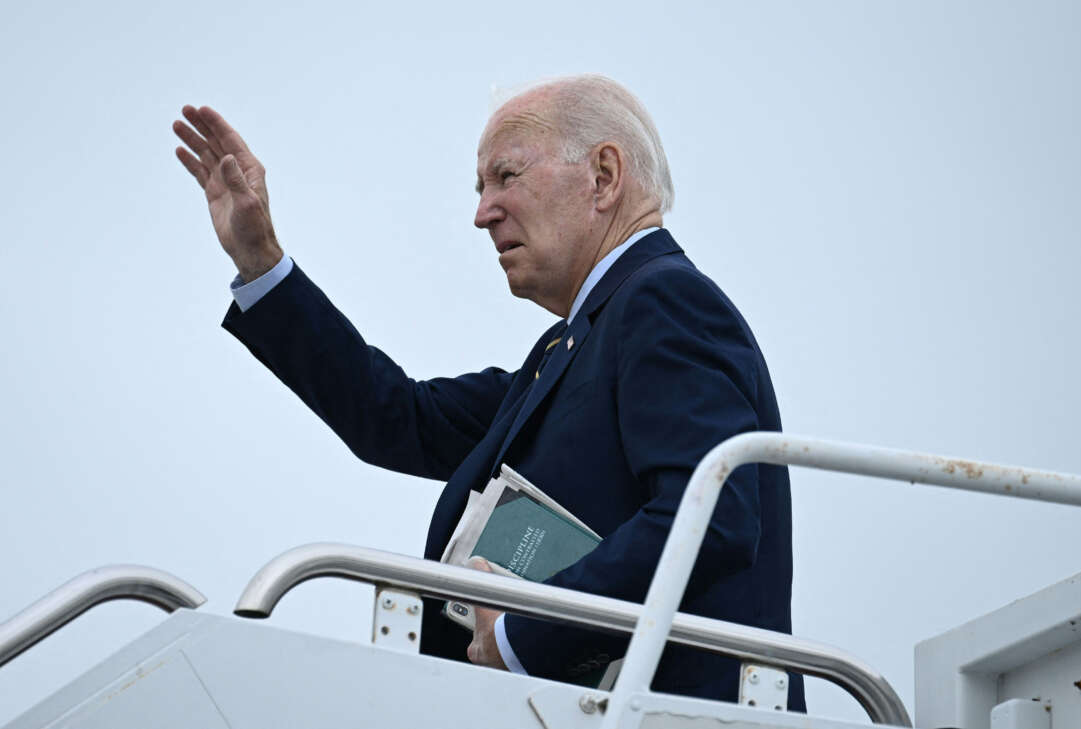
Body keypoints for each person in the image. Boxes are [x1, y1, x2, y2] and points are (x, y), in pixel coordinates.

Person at [173, 74, 804, 709]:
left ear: (605, 177)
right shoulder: (571, 348)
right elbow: (400, 418)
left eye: (506, 176)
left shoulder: (663, 300)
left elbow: (712, 517)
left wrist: (523, 631)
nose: (482, 213)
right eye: (482, 188)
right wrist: (261, 263)